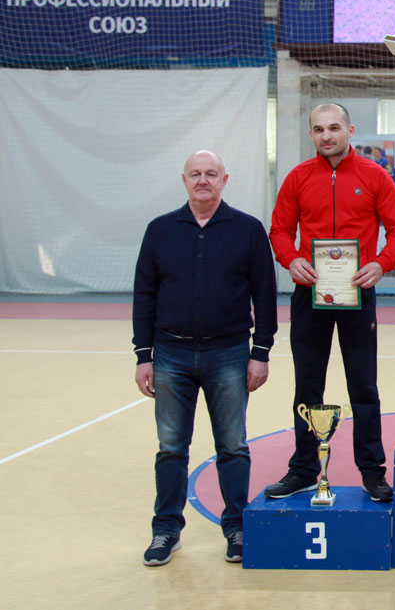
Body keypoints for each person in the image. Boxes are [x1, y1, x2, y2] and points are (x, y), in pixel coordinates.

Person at [132, 150, 277, 566]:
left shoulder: (248, 230)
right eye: (195, 174)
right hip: (170, 355)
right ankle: (166, 530)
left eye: (211, 173)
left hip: (229, 354)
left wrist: (260, 352)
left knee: (232, 446)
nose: (203, 180)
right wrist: (144, 355)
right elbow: (144, 294)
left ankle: (236, 527)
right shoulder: (159, 230)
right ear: (184, 180)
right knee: (171, 448)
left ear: (224, 180)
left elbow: (265, 294)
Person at [263, 103, 395, 502]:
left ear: (350, 130)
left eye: (333, 128)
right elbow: (279, 230)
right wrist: (290, 259)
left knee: (363, 386)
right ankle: (303, 469)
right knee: (307, 387)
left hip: (357, 294)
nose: (326, 135)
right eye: (318, 129)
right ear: (311, 134)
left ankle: (372, 471)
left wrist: (381, 264)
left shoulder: (374, 176)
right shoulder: (297, 178)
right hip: (309, 294)